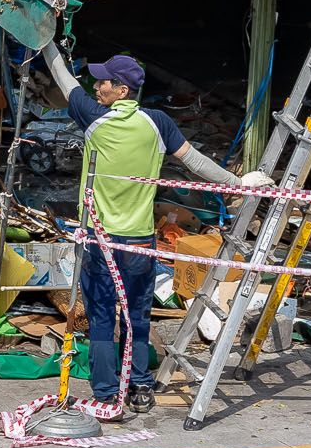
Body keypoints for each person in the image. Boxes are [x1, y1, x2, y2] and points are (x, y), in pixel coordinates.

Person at [56, 52, 271, 417]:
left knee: (102, 317)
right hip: (140, 241)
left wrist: (45, 37)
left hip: (99, 240)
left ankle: (107, 395)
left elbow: (62, 78)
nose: (96, 85)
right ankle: (139, 387)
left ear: (121, 90)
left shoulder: (93, 117)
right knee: (137, 315)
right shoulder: (158, 122)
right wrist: (239, 183)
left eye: (103, 82)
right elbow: (197, 162)